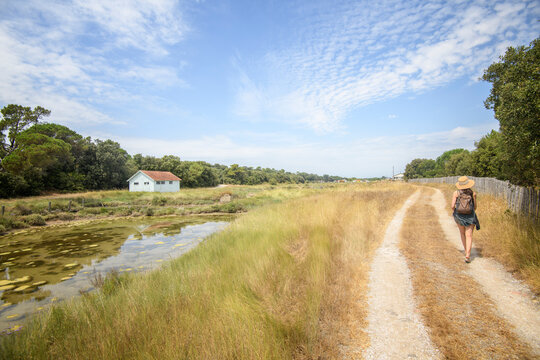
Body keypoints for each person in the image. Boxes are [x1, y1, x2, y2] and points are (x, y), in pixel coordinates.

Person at [451, 176, 479, 263]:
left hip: (459, 216)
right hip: (470, 216)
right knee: (469, 235)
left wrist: (456, 212)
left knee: (462, 234)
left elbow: (452, 206)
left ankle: (466, 251)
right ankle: (468, 255)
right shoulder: (473, 193)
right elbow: (474, 207)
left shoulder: (456, 193)